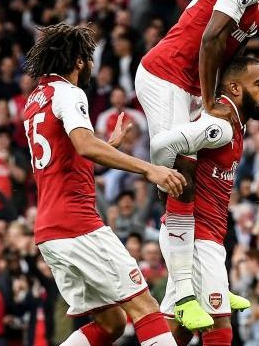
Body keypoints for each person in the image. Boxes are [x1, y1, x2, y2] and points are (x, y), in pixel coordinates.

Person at [134, 0, 259, 329]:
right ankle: (186, 293)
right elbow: (209, 39)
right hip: (168, 74)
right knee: (179, 177)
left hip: (192, 81)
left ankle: (207, 286)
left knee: (197, 181)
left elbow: (226, 49)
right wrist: (210, 103)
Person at [21, 23, 186, 346]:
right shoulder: (69, 93)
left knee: (111, 323)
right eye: (90, 59)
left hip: (49, 230)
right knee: (145, 306)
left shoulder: (35, 100)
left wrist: (108, 147)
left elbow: (64, 157)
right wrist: (148, 169)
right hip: (77, 224)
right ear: (80, 61)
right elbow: (84, 145)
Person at [151, 57, 259, 346]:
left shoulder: (237, 124)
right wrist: (162, 178)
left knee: (177, 332)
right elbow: (161, 144)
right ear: (234, 88)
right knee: (220, 326)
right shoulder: (221, 125)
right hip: (195, 238)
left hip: (204, 238)